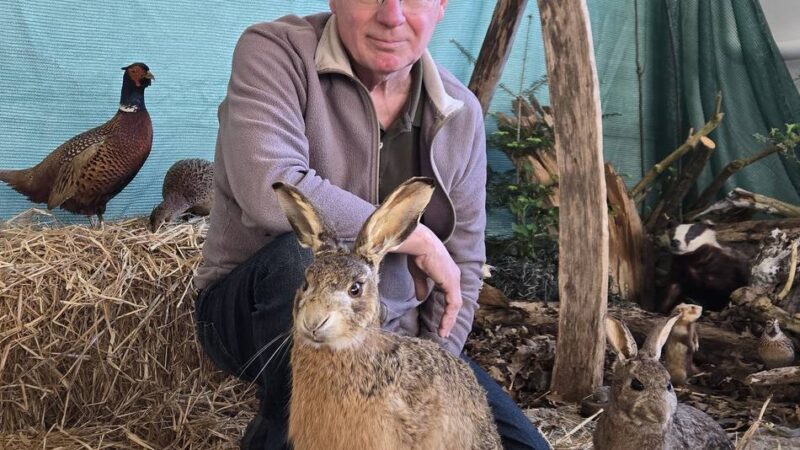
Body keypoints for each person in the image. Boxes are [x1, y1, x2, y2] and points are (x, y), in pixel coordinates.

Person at [193, 1, 550, 449]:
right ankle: (280, 435)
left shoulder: (460, 113)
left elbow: (464, 264)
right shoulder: (275, 52)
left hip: (385, 337)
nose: (392, 15)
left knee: (521, 445)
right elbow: (269, 187)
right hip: (260, 308)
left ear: (441, 6)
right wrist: (418, 238)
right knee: (296, 258)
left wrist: (432, 369)